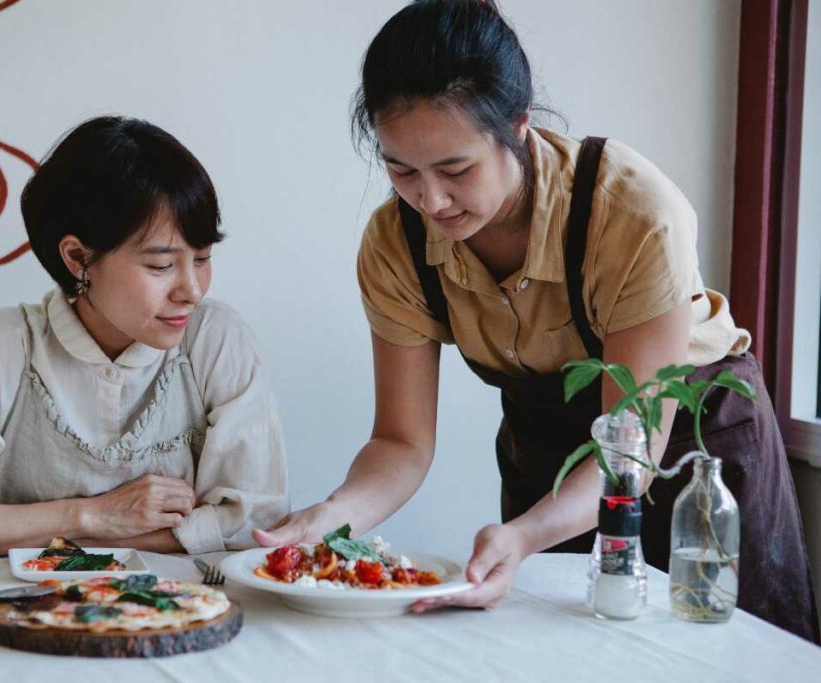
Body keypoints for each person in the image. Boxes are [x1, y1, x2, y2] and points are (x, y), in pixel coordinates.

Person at [254, 0, 818, 642]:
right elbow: (401, 444)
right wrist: (334, 515)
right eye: (401, 170)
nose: (430, 200)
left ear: (517, 126)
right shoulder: (396, 244)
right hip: (551, 458)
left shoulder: (631, 213)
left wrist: (527, 533)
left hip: (690, 453)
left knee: (727, 651)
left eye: (455, 169)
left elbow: (630, 444)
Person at [0, 116, 288, 560]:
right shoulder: (2, 347)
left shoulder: (215, 340)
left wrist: (38, 534)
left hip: (181, 616)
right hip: (25, 614)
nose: (191, 290)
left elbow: (257, 524)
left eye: (203, 257)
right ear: (78, 258)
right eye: (160, 266)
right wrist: (90, 515)